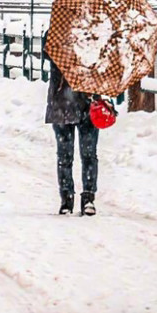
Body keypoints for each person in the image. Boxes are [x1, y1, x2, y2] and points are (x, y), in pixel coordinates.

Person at [45, 60, 99, 217]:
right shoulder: (57, 40)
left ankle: (87, 197)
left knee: (88, 154)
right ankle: (67, 199)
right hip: (63, 105)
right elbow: (49, 55)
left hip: (86, 105)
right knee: (66, 155)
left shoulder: (92, 40)